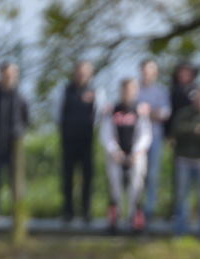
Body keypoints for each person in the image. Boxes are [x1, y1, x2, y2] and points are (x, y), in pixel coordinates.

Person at [101, 77, 152, 233]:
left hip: (136, 156)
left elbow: (146, 134)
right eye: (125, 90)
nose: (127, 93)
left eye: (131, 89)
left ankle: (135, 220)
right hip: (116, 156)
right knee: (115, 187)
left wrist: (136, 152)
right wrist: (114, 151)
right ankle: (114, 221)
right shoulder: (112, 110)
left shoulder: (140, 110)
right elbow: (106, 133)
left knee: (136, 187)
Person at [0, 62, 30, 218]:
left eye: (12, 75)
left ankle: (17, 214)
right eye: (5, 74)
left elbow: (25, 118)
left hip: (14, 146)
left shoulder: (21, 97)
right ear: (0, 74)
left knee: (16, 182)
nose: (8, 78)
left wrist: (18, 132)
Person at [171, 84, 200, 241]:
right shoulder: (183, 113)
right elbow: (177, 130)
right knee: (182, 197)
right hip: (184, 159)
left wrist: (191, 131)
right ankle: (181, 231)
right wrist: (195, 129)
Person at [58, 60, 100, 224]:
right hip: (68, 139)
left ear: (90, 74)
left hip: (87, 140)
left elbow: (99, 116)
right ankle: (68, 211)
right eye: (79, 72)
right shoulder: (64, 90)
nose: (82, 75)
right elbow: (57, 113)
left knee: (87, 177)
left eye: (85, 72)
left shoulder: (96, 92)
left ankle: (86, 211)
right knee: (67, 176)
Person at [136, 59, 171, 223]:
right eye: (144, 70)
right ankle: (135, 209)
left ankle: (149, 211)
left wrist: (146, 113)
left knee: (153, 175)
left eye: (150, 70)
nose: (147, 73)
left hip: (155, 138)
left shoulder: (161, 91)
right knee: (136, 175)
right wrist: (151, 113)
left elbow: (164, 113)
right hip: (135, 139)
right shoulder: (134, 89)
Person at [166, 62, 198, 137]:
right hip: (176, 128)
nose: (183, 74)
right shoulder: (172, 91)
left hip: (194, 129)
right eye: (181, 72)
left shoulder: (198, 90)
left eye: (187, 72)